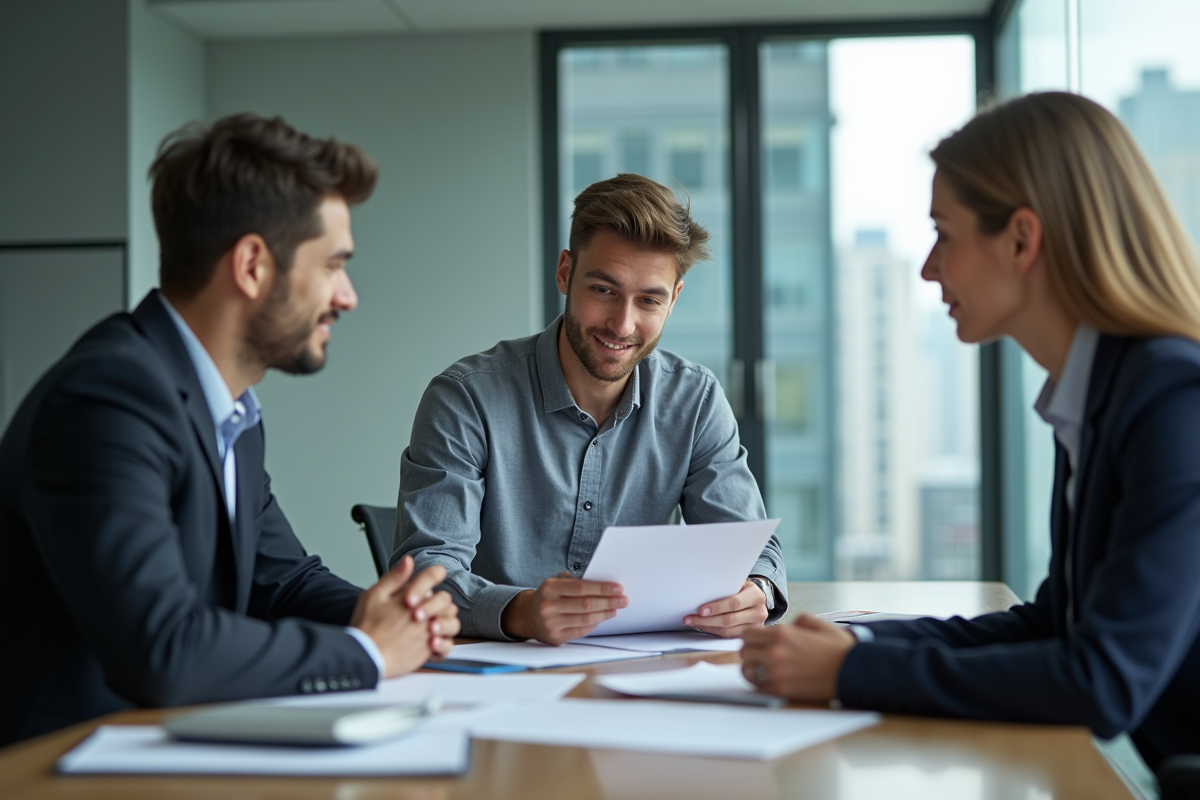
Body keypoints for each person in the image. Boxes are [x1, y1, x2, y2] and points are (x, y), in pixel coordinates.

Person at [740, 91, 1200, 767]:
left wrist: (846, 674)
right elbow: (1055, 624)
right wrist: (858, 643)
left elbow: (1102, 681)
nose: (930, 267)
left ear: (1021, 238)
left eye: (944, 234)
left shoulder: (1172, 400)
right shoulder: (1104, 391)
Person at [0, 113, 459, 746]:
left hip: (161, 750)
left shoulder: (227, 410)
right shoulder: (108, 398)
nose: (347, 295)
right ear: (251, 266)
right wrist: (368, 652)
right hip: (56, 767)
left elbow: (282, 581)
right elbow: (164, 646)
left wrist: (384, 614)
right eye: (332, 265)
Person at [394, 174, 788, 644]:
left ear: (674, 299)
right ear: (565, 272)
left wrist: (757, 592)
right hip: (496, 678)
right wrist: (520, 611)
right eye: (603, 290)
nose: (623, 324)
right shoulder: (465, 398)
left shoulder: (696, 401)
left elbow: (752, 547)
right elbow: (426, 573)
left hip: (641, 681)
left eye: (649, 300)